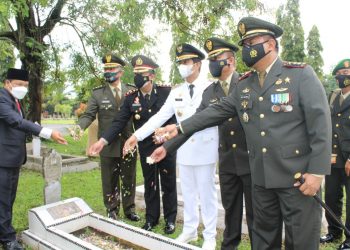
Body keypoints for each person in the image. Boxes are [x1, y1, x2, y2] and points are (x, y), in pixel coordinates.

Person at [151, 17, 332, 250]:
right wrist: (178, 127)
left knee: (301, 241)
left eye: (250, 43)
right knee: (264, 240)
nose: (246, 48)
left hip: (297, 178)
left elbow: (320, 125)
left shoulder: (300, 75)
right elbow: (215, 111)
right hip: (261, 179)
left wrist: (317, 172)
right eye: (244, 44)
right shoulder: (245, 84)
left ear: (269, 44)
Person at [123, 44, 219, 250]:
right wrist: (136, 136)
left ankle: (209, 235)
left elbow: (203, 117)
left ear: (197, 65)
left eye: (186, 62)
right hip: (183, 149)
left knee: (206, 193)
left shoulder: (211, 88)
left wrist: (173, 128)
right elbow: (159, 117)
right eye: (180, 63)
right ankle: (190, 230)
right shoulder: (177, 91)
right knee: (189, 193)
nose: (182, 66)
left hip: (204, 148)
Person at [88, 55, 178, 234]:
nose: (137, 77)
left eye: (142, 73)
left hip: (166, 146)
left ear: (151, 75)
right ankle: (151, 219)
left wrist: (167, 136)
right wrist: (102, 141)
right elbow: (118, 123)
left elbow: (175, 118)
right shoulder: (131, 98)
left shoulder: (166, 92)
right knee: (150, 183)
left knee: (168, 182)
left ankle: (170, 219)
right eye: (135, 73)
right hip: (145, 147)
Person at [0, 68, 67, 250]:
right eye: (19, 85)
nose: (22, 88)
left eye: (25, 86)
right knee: (3, 200)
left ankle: (3, 232)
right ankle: (8, 239)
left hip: (12, 159)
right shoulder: (2, 98)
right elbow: (16, 122)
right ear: (7, 83)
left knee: (7, 199)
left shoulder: (14, 99)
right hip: (3, 160)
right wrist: (48, 132)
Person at [75, 54, 139, 222]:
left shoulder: (131, 91)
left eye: (111, 69)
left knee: (129, 177)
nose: (108, 72)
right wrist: (79, 127)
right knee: (109, 179)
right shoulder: (97, 94)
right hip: (107, 144)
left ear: (121, 72)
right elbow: (88, 114)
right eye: (106, 69)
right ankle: (111, 208)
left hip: (128, 142)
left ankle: (129, 209)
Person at [320, 59, 350, 249]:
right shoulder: (332, 96)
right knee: (331, 196)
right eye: (340, 73)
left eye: (346, 73)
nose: (343, 76)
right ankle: (334, 231)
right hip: (333, 157)